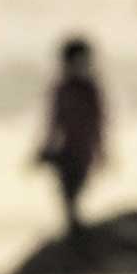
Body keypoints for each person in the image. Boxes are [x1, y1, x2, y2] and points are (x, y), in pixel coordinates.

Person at [36, 33, 107, 233]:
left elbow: (98, 122)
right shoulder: (62, 89)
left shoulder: (90, 90)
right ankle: (74, 230)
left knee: (75, 192)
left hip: (83, 151)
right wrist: (45, 147)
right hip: (65, 151)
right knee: (67, 195)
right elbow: (53, 122)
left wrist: (101, 149)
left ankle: (75, 230)